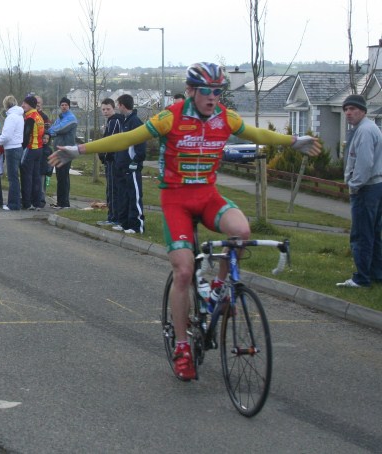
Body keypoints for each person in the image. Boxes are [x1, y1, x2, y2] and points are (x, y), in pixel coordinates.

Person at [50, 62, 321, 380]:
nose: (213, 98)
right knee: (184, 270)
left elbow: (256, 133)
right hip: (175, 199)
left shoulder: (225, 117)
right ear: (191, 91)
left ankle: (220, 287)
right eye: (207, 91)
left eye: (219, 92)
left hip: (208, 196)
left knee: (242, 230)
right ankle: (181, 345)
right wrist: (79, 149)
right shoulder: (171, 117)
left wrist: (293, 141)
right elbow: (126, 139)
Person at [337, 94, 382, 288]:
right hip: (376, 185)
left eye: (353, 109)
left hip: (367, 188)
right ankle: (376, 273)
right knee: (373, 233)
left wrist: (354, 186)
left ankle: (361, 278)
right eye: (346, 109)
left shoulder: (364, 131)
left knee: (361, 235)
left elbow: (364, 163)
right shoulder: (369, 128)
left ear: (363, 111)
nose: (348, 113)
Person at [112, 94, 146, 234]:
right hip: (122, 164)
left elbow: (140, 144)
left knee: (134, 195)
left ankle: (136, 225)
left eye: (118, 104)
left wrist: (136, 161)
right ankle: (124, 222)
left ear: (122, 105)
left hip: (131, 165)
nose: (117, 107)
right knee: (123, 195)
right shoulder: (124, 121)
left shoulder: (135, 122)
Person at [97, 98, 124, 226]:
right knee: (111, 189)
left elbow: (110, 141)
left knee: (113, 190)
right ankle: (113, 216)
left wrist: (104, 156)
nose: (105, 112)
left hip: (113, 160)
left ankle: (114, 218)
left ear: (114, 108)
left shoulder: (114, 121)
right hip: (112, 160)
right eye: (103, 109)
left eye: (108, 109)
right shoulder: (111, 121)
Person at [0, 95, 24, 211]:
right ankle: (16, 201)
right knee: (15, 177)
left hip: (12, 148)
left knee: (12, 178)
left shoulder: (11, 117)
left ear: (6, 105)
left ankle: (13, 204)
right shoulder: (19, 116)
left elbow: (6, 136)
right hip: (18, 147)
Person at [48, 97, 78, 209]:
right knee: (60, 177)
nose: (64, 107)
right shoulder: (60, 117)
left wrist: (51, 131)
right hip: (58, 151)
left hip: (66, 151)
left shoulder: (71, 118)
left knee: (64, 177)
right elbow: (54, 128)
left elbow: (60, 129)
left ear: (69, 106)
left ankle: (64, 203)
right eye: (62, 105)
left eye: (66, 105)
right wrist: (53, 130)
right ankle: (60, 202)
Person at [20, 96, 45, 210]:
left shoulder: (30, 117)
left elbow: (26, 136)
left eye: (24, 103)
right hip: (39, 149)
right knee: (36, 177)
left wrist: (21, 148)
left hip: (30, 149)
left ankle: (27, 202)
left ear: (30, 104)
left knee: (27, 177)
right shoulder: (39, 116)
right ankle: (37, 203)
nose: (22, 105)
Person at [39, 132, 53, 208]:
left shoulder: (49, 150)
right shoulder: (38, 147)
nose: (45, 140)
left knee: (42, 187)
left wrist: (49, 171)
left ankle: (42, 201)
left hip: (43, 171)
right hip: (36, 169)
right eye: (44, 138)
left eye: (47, 139)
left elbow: (51, 162)